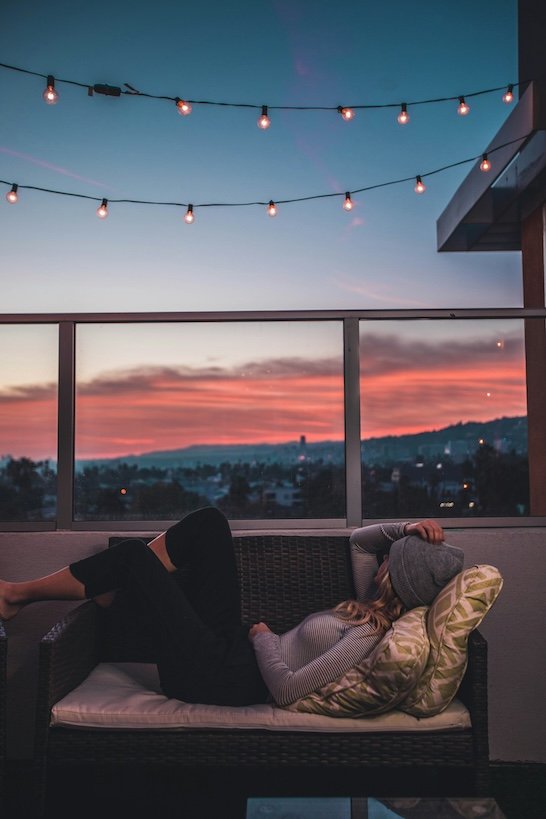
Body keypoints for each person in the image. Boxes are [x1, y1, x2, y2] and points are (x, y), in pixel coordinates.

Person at [0, 508, 463, 708]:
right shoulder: (369, 602)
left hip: (221, 677)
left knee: (130, 557)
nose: (383, 558)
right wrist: (407, 527)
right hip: (228, 648)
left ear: (396, 578)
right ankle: (122, 599)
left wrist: (263, 638)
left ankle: (16, 596)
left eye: (393, 560)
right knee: (208, 525)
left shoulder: (368, 635)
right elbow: (362, 541)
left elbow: (286, 690)